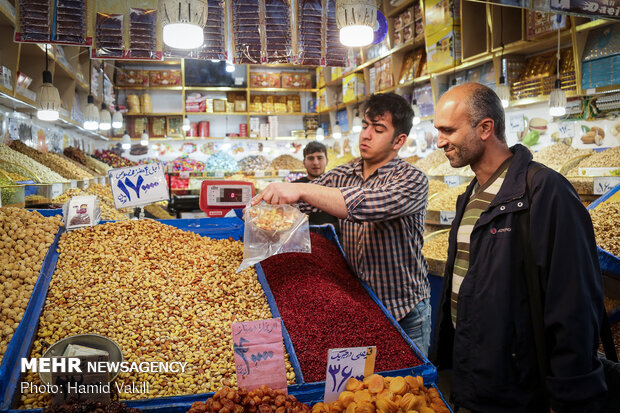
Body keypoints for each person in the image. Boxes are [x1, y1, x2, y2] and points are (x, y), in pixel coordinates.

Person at [431, 83, 607, 412]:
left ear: (485, 128)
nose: (439, 141)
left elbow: (575, 303)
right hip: (475, 378)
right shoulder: (471, 195)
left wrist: (568, 394)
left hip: (521, 388)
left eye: (448, 130)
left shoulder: (544, 191)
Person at [252, 92, 432, 354]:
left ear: (399, 141)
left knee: (409, 387)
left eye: (378, 129)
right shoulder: (343, 173)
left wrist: (300, 190)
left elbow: (362, 205)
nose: (366, 135)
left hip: (404, 309)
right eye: (365, 126)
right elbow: (300, 203)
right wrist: (262, 207)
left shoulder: (412, 179)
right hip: (359, 305)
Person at [292, 141, 341, 238]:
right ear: (304, 163)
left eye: (319, 158)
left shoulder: (337, 186)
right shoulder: (295, 187)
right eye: (310, 158)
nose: (315, 162)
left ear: (327, 161)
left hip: (332, 241)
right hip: (302, 241)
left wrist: (334, 227)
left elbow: (347, 219)